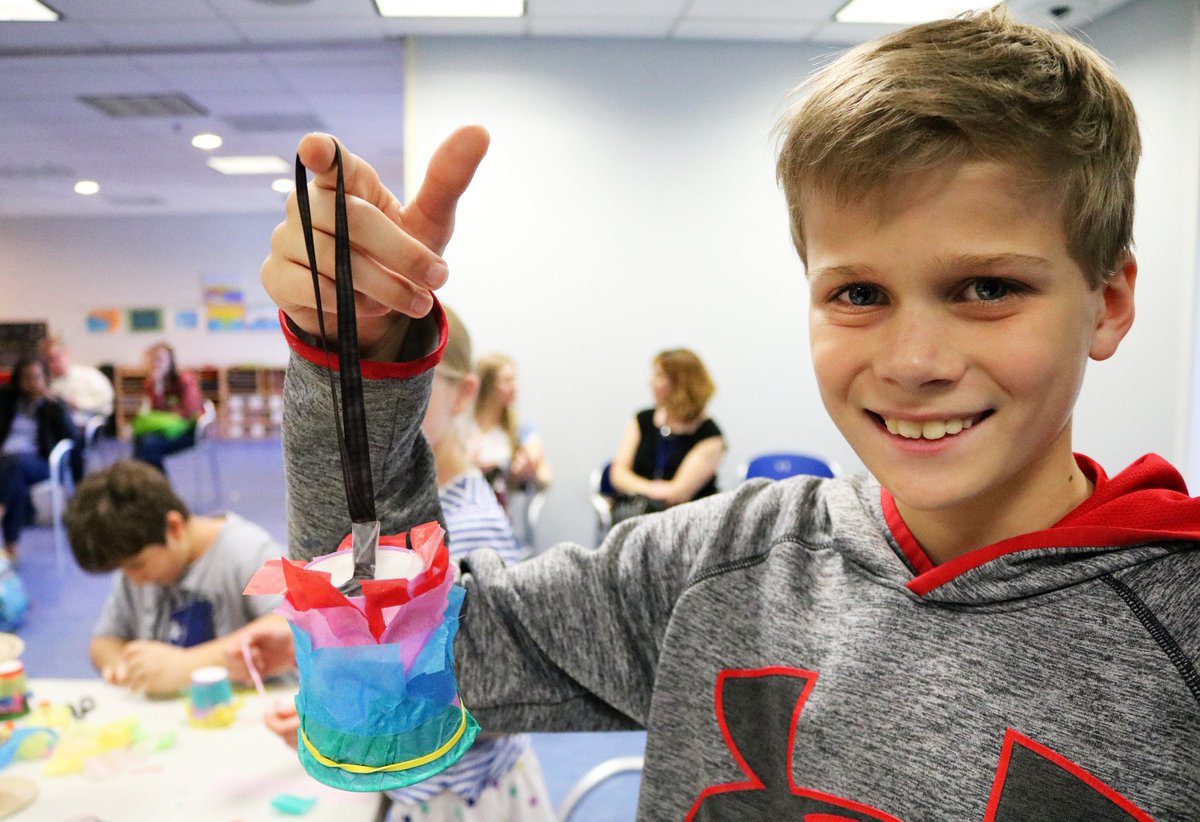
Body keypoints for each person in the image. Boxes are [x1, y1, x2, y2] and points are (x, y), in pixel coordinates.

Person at [252, 9, 1200, 819]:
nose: (915, 363)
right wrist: (358, 373)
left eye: (987, 287)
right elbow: (386, 669)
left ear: (1109, 302)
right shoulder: (716, 566)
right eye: (859, 293)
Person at [229, 307, 554, 821]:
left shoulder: (469, 528)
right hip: (413, 792)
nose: (376, 417)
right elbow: (382, 626)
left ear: (464, 394)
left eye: (411, 390)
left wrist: (362, 721)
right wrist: (309, 656)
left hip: (464, 798)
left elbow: (498, 691)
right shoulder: (385, 520)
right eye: (361, 397)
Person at [64, 459, 283, 695]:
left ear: (174, 527)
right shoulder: (135, 568)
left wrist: (186, 666)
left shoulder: (250, 552)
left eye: (136, 565)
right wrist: (119, 664)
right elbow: (104, 641)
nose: (134, 579)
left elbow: (293, 625)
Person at [608, 348, 725, 524]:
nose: (651, 382)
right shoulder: (642, 420)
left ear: (682, 384)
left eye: (659, 376)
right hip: (637, 514)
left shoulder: (710, 435)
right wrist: (651, 488)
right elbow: (618, 474)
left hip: (686, 523)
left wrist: (637, 486)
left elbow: (678, 493)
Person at [0, 355, 79, 560]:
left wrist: (58, 408)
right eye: (26, 378)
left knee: (16, 464)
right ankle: (10, 548)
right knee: (14, 478)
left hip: (41, 463)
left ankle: (1, 509)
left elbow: (74, 440)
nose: (32, 383)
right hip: (6, 464)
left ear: (45, 379)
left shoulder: (53, 405)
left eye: (36, 378)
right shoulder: (6, 401)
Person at [467, 353, 552, 502]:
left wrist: (529, 469)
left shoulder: (519, 430)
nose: (514, 387)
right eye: (507, 380)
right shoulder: (462, 426)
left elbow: (546, 478)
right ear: (487, 385)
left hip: (499, 514)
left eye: (514, 379)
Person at [132, 341, 204, 474]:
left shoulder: (184, 380)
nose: (156, 363)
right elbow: (153, 411)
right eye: (153, 359)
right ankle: (150, 485)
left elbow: (190, 409)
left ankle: (150, 485)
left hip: (186, 431)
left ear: (171, 360)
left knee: (148, 445)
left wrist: (171, 414)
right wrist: (157, 387)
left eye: (160, 358)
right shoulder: (151, 382)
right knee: (142, 441)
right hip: (165, 429)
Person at [38, 335, 115, 430]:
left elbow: (106, 402)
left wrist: (79, 404)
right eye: (47, 361)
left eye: (54, 357)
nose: (52, 364)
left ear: (65, 353)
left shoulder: (90, 375)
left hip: (85, 422)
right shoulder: (49, 385)